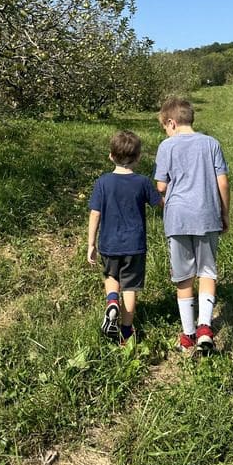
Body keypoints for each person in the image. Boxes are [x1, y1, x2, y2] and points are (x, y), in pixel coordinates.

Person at [155, 97, 230, 353]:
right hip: (207, 215)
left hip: (177, 218)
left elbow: (161, 186)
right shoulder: (211, 144)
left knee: (183, 276)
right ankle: (205, 328)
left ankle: (187, 333)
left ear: (171, 122)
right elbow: (223, 182)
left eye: (165, 126)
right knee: (207, 271)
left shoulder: (167, 146)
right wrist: (224, 213)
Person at [88, 130, 162, 343]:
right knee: (130, 287)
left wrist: (91, 244)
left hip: (109, 244)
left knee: (112, 277)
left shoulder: (103, 182)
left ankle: (112, 302)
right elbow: (159, 204)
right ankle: (127, 331)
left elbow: (95, 213)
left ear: (111, 156)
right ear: (138, 157)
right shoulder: (143, 182)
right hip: (135, 245)